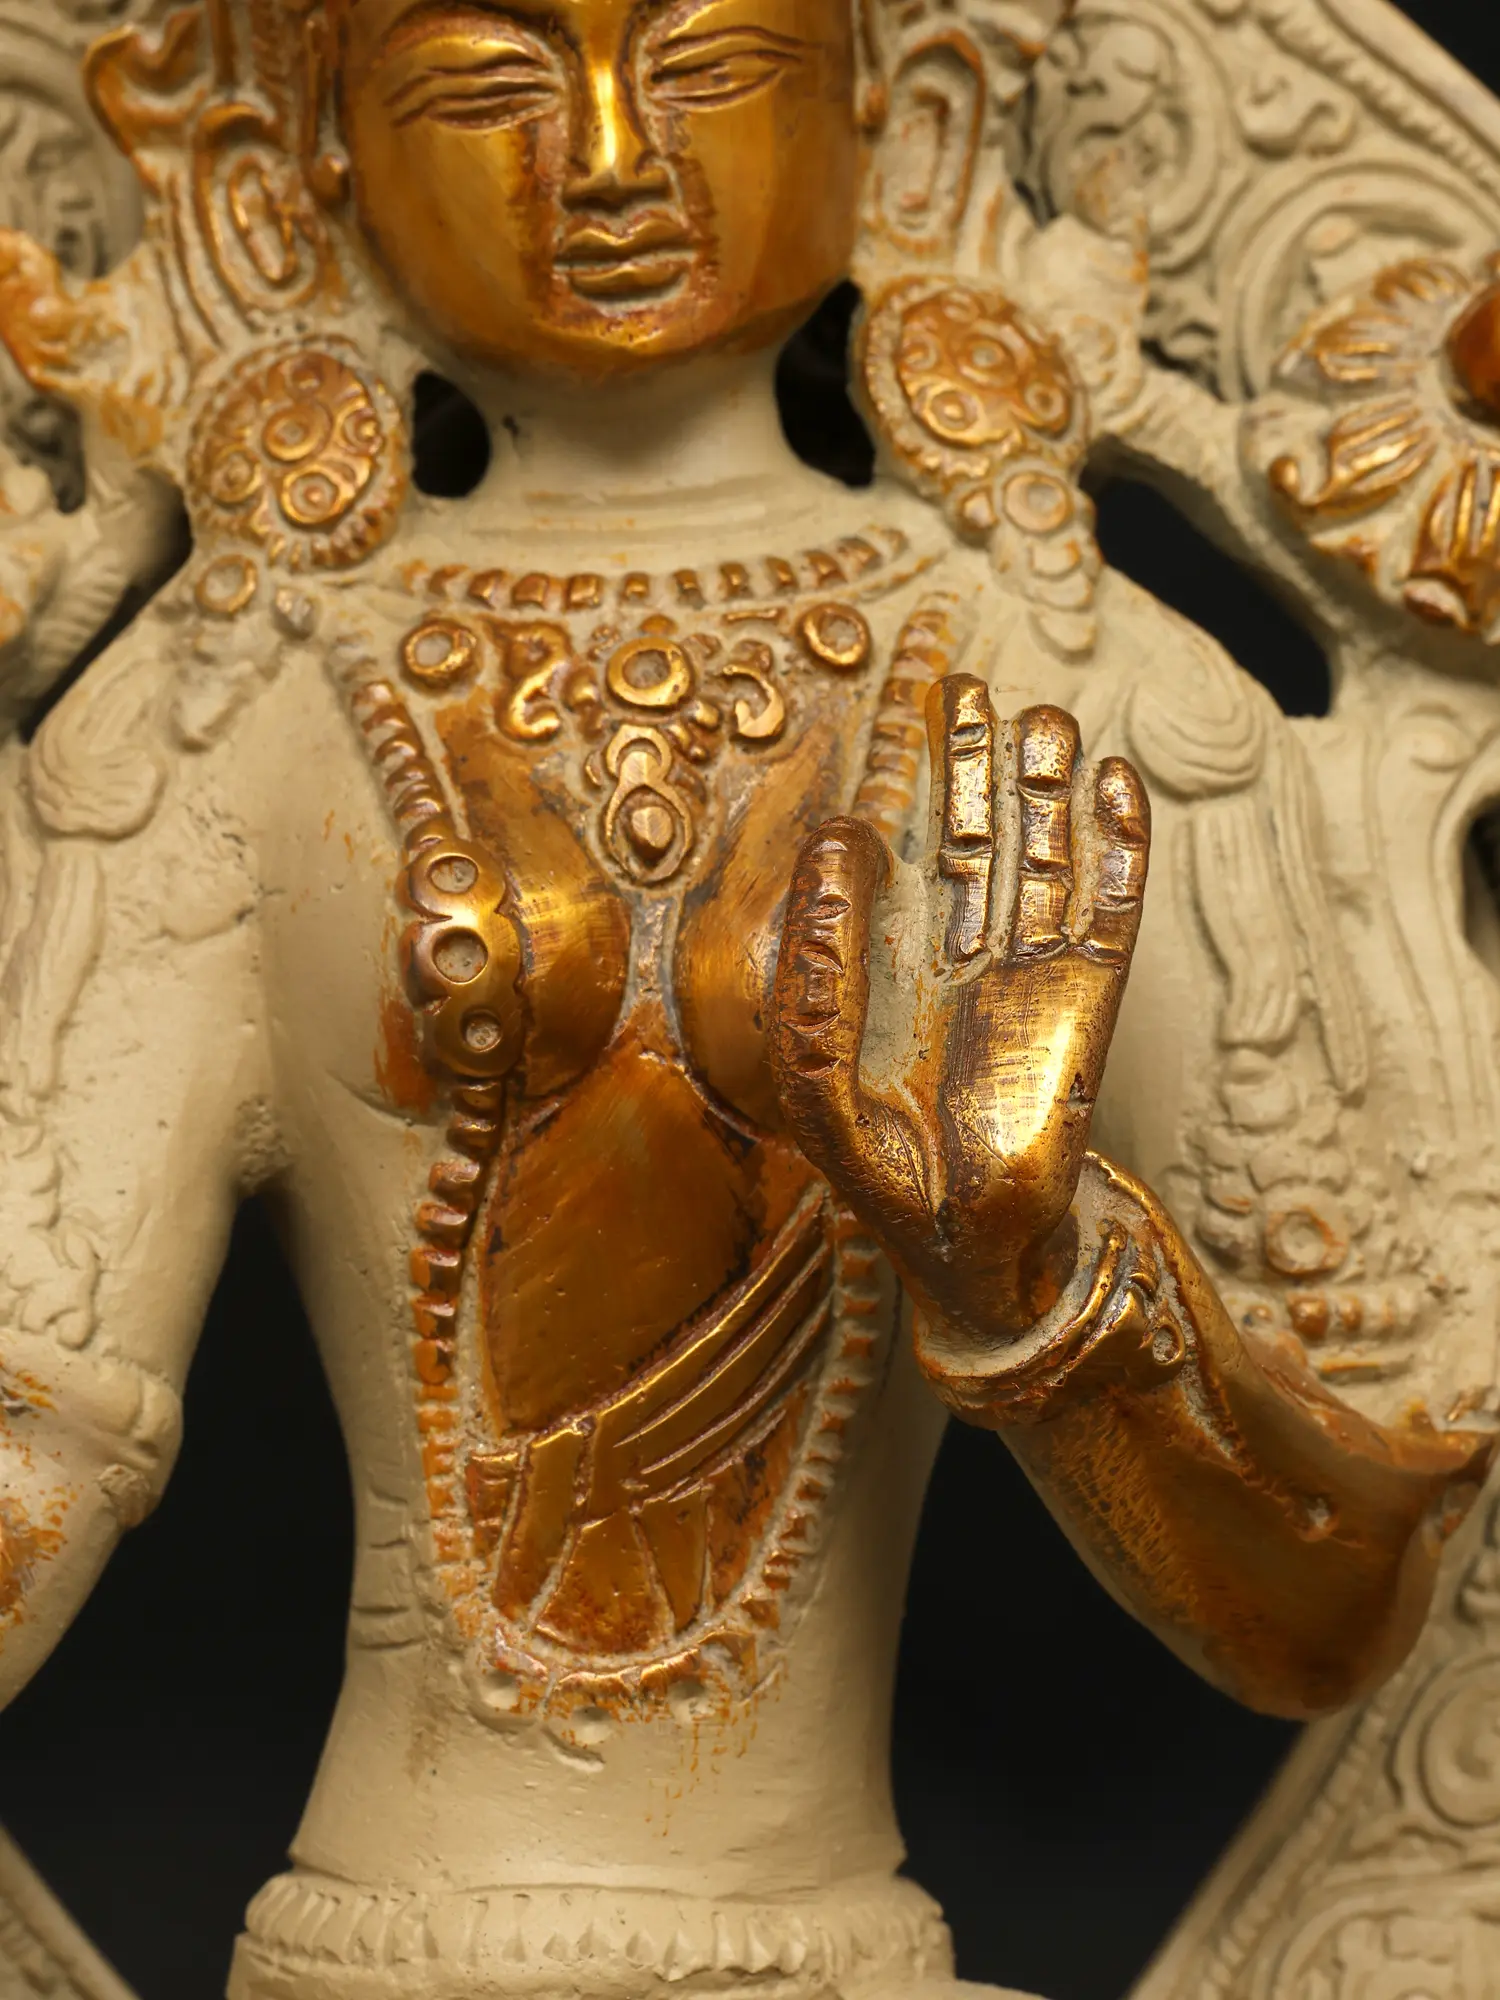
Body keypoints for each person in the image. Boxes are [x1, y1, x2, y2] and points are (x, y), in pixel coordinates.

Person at [0, 3, 1490, 1996]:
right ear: (315, 160)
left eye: (708, 62)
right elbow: (37, 1433)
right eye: (492, 84)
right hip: (384, 1946)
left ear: (901, 103)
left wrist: (1037, 1290)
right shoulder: (223, 712)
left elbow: (1340, 1604)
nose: (611, 159)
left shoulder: (1081, 695)